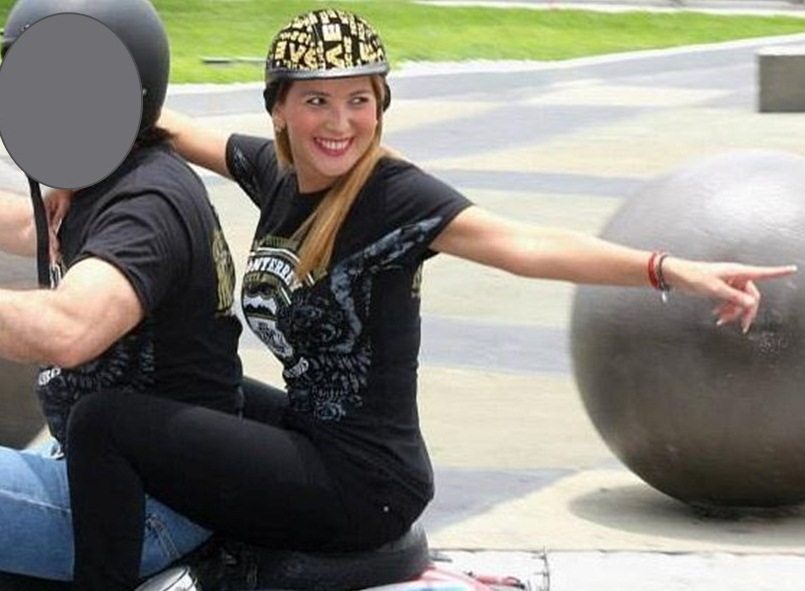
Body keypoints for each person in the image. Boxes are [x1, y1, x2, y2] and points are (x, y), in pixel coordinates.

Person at [61, 8, 796, 591]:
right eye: (316, 101)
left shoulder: (392, 196)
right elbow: (165, 122)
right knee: (189, 389)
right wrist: (70, 136)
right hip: (315, 439)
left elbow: (524, 245)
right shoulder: (278, 175)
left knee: (104, 422)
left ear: (380, 107)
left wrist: (668, 268)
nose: (340, 123)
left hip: (362, 483)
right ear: (278, 110)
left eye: (359, 101)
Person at [0, 0, 243, 584]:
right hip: (99, 470)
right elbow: (31, 225)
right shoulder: (103, 177)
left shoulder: (146, 203)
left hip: (147, 506)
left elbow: (69, 328)